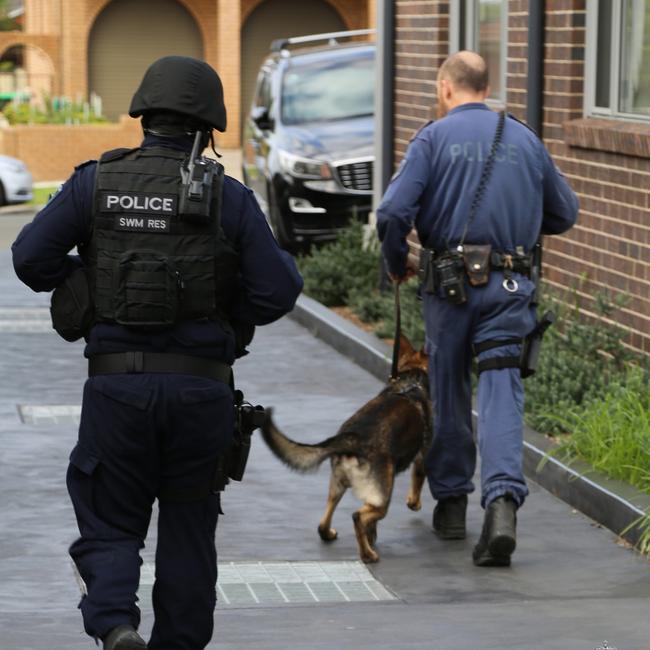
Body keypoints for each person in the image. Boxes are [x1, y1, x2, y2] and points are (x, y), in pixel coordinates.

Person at [12, 56, 303, 650]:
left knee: (111, 520)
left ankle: (117, 624)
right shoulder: (231, 197)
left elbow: (28, 259)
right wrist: (224, 305)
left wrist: (93, 280)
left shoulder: (95, 183)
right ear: (208, 128)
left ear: (143, 116)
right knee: (190, 531)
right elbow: (279, 290)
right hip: (202, 393)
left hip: (116, 391)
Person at [376, 51, 578, 568]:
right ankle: (503, 505)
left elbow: (395, 211)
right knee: (501, 389)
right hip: (511, 285)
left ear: (446, 88)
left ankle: (450, 505)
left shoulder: (432, 138)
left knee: (447, 387)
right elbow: (566, 212)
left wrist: (397, 262)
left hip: (447, 289)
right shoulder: (525, 139)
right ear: (486, 88)